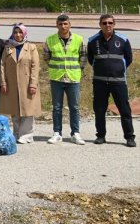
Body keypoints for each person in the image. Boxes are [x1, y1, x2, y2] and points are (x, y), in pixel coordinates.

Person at [87, 14, 135, 147]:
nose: (107, 25)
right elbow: (92, 60)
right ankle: (101, 136)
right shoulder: (92, 41)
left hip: (118, 81)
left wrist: (117, 69)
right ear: (100, 25)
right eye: (104, 23)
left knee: (124, 110)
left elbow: (129, 59)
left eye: (110, 23)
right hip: (100, 82)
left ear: (114, 24)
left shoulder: (123, 39)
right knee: (99, 110)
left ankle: (129, 137)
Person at [42, 14, 86, 145]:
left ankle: (75, 133)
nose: (63, 26)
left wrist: (79, 70)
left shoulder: (79, 39)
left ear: (70, 25)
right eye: (60, 24)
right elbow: (46, 56)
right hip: (57, 77)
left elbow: (83, 56)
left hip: (73, 78)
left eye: (65, 24)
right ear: (57, 25)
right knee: (56, 107)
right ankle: (57, 133)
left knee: (75, 107)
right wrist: (55, 67)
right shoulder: (50, 39)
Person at [0, 23, 41, 144]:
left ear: (24, 33)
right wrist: (3, 82)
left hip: (27, 83)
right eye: (15, 32)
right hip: (12, 83)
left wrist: (33, 83)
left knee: (28, 109)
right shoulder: (8, 47)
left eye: (20, 32)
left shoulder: (31, 47)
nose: (18, 35)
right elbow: (2, 65)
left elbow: (35, 66)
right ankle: (16, 132)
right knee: (15, 109)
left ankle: (27, 134)